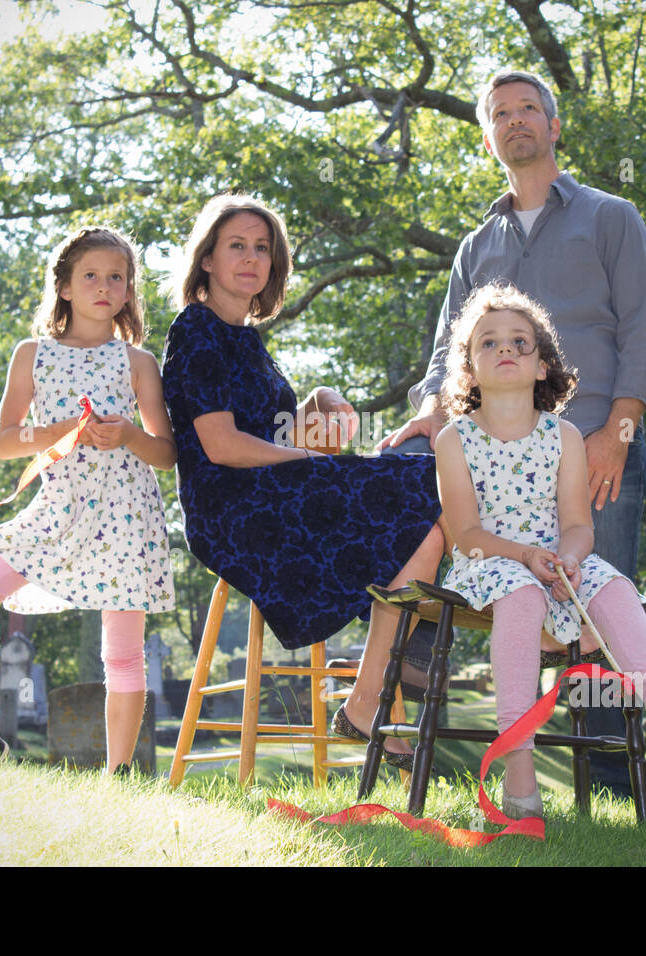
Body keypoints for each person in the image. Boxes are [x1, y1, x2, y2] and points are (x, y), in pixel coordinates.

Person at [379, 69, 646, 795]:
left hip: (596, 445)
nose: (516, 121)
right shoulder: (476, 245)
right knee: (407, 460)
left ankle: (606, 789)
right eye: (501, 114)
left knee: (594, 609)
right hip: (492, 464)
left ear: (553, 125)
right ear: (488, 138)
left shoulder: (611, 217)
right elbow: (450, 349)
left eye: (528, 110)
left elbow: (642, 334)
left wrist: (617, 431)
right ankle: (411, 651)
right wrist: (426, 410)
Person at [160, 194, 445, 770]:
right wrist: (302, 457)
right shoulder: (197, 330)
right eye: (236, 245)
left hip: (270, 492)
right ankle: (407, 658)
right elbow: (221, 446)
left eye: (262, 248)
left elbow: (278, 436)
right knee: (425, 481)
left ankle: (379, 686)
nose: (251, 258)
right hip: (231, 510)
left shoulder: (247, 339)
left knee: (434, 495)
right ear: (207, 260)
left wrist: (317, 405)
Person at [434, 281, 646, 819]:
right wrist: (524, 558)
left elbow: (580, 525)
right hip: (487, 564)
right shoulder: (455, 441)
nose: (506, 349)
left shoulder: (562, 437)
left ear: (543, 366)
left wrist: (569, 557)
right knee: (519, 595)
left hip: (556, 560)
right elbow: (465, 534)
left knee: (613, 584)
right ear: (468, 367)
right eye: (489, 343)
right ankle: (519, 772)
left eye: (521, 341)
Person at [0, 226, 176, 772]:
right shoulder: (32, 355)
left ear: (128, 292)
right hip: (57, 509)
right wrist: (61, 429)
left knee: (121, 648)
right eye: (91, 276)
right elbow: (5, 442)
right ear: (65, 287)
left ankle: (120, 773)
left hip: (126, 513)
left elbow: (167, 452)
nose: (104, 286)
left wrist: (126, 436)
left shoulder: (138, 362)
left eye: (116, 278)